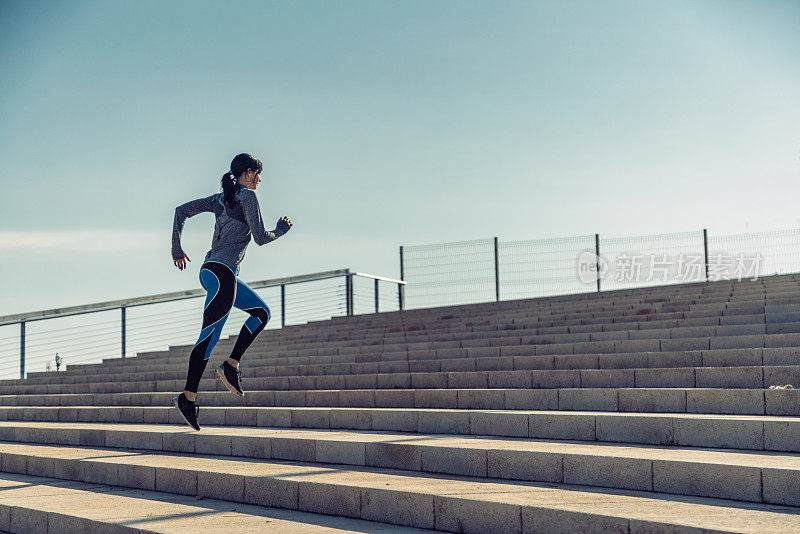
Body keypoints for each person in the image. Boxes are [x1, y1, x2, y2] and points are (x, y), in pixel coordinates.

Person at [170, 153, 292, 430]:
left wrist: (176, 248)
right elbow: (261, 237)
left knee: (261, 313)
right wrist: (281, 230)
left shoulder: (219, 198)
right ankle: (187, 397)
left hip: (214, 272)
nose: (259, 180)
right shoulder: (248, 197)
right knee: (208, 337)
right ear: (248, 173)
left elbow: (180, 211)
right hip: (222, 273)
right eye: (258, 174)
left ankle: (231, 365)